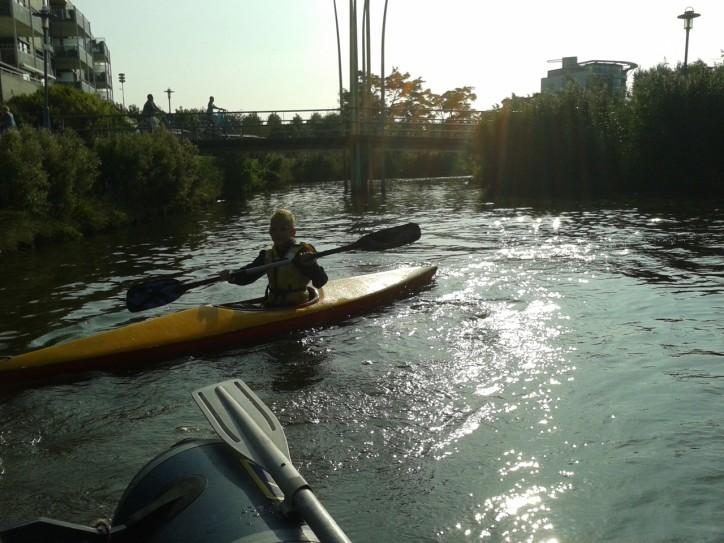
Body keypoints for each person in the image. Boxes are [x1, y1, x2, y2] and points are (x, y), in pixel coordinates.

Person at [222, 209, 328, 306]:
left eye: (283, 229)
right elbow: (248, 276)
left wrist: (311, 265)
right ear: (270, 232)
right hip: (273, 304)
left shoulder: (302, 252)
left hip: (297, 304)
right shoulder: (267, 255)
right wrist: (232, 276)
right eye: (274, 229)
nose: (278, 233)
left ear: (293, 232)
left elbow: (320, 281)